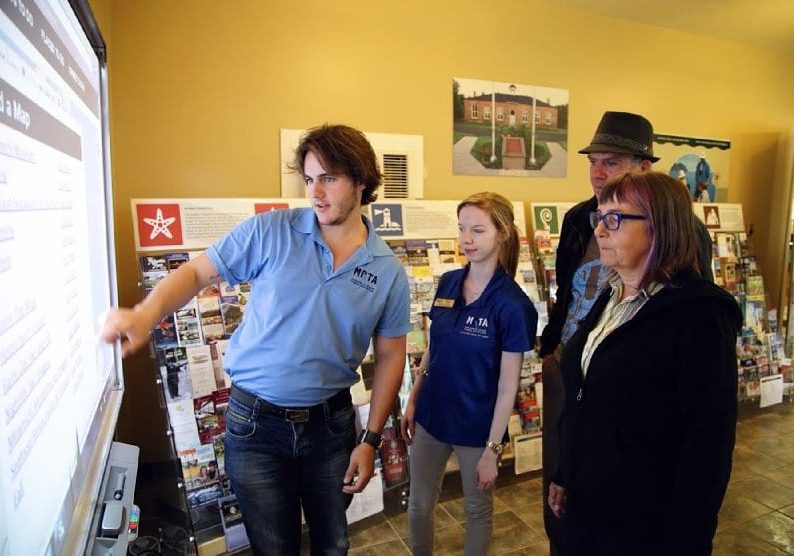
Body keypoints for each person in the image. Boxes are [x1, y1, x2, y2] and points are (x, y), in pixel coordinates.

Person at [101, 124, 411, 555]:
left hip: (331, 428)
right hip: (255, 425)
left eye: (329, 178)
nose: (315, 192)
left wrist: (371, 439)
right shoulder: (271, 231)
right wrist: (145, 313)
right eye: (309, 179)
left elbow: (392, 354)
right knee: (272, 547)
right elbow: (195, 272)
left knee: (333, 543)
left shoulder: (388, 269)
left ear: (361, 180)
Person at [537, 111, 714, 554]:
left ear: (643, 167)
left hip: (634, 375)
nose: (598, 173)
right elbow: (566, 285)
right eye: (593, 161)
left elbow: (692, 311)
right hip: (576, 357)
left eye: (611, 162)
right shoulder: (580, 218)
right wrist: (555, 343)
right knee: (562, 477)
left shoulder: (683, 232)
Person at [401, 192, 538, 555]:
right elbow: (433, 348)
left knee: (477, 510)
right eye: (462, 229)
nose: (466, 239)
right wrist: (413, 399)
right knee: (418, 505)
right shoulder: (447, 283)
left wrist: (493, 449)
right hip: (431, 416)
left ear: (503, 233)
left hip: (477, 428)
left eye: (478, 230)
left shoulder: (512, 305)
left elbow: (509, 385)